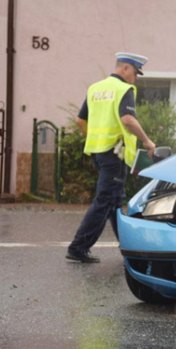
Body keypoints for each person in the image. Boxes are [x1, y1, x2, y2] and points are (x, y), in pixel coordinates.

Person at [66, 52, 156, 263]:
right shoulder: (124, 89)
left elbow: (81, 121)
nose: (135, 78)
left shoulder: (95, 88)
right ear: (125, 68)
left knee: (115, 200)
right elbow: (128, 120)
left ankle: (127, 246)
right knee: (105, 200)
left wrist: (98, 139)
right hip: (115, 154)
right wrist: (147, 141)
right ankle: (78, 247)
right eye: (135, 72)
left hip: (99, 153)